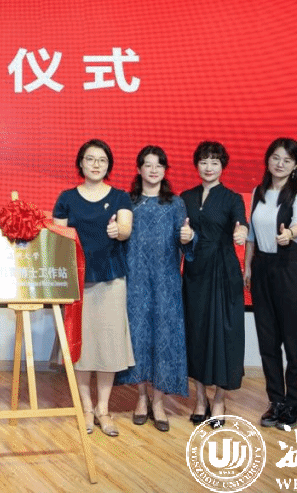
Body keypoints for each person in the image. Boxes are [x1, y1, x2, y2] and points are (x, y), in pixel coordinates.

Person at [52, 139, 135, 437]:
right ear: (81, 163)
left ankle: (104, 409)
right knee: (82, 346)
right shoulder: (66, 198)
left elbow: (126, 228)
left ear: (109, 165)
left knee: (109, 345)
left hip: (111, 280)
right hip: (77, 282)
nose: (96, 164)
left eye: (102, 160)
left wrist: (118, 230)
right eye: (90, 159)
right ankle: (86, 408)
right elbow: (58, 237)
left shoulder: (120, 197)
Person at [116, 146, 192, 432]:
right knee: (138, 338)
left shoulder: (175, 203)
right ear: (139, 169)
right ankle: (141, 398)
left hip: (166, 281)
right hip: (135, 280)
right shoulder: (128, 202)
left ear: (165, 170)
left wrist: (189, 237)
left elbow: (185, 239)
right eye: (148, 165)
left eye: (159, 165)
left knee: (165, 338)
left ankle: (158, 402)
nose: (153, 170)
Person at [244, 138, 297, 430]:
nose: (280, 164)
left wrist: (289, 234)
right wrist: (247, 266)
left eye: (287, 160)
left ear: (295, 165)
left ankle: (293, 403)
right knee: (267, 340)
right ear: (268, 160)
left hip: (290, 268)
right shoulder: (257, 192)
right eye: (275, 158)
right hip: (262, 269)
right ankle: (276, 401)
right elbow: (250, 234)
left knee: (294, 341)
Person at [180, 141, 248, 426]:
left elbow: (241, 224)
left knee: (225, 335)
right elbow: (178, 231)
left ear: (223, 166)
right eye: (204, 162)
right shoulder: (185, 197)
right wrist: (183, 237)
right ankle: (200, 399)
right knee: (196, 333)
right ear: (197, 165)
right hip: (195, 271)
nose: (209, 167)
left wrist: (241, 233)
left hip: (224, 272)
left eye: (215, 162)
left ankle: (219, 399)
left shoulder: (233, 198)